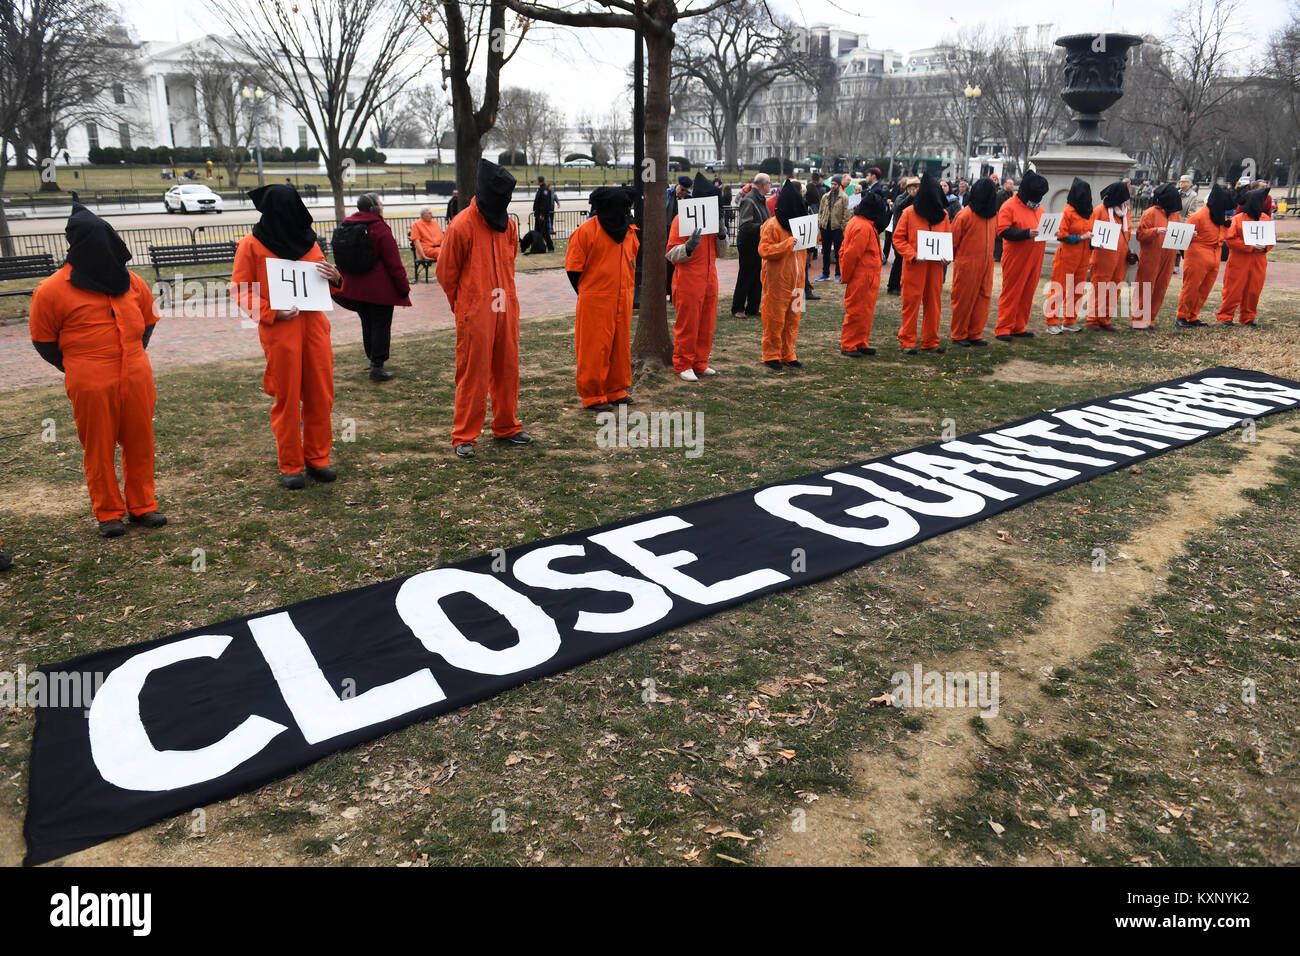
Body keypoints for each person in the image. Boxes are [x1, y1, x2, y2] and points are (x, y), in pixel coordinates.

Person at [29, 204, 166, 535]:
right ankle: (108, 513)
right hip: (89, 376)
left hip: (135, 370)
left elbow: (147, 321)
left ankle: (143, 506)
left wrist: (131, 354)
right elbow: (43, 342)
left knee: (140, 442)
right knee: (99, 447)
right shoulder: (50, 291)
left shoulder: (132, 282)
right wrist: (79, 366)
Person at [231, 185, 343, 488]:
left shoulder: (309, 242)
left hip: (315, 329)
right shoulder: (251, 245)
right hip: (280, 333)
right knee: (287, 398)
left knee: (320, 395)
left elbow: (324, 280)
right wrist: (270, 313)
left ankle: (318, 458)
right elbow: (239, 290)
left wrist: (336, 278)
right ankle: (291, 464)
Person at [437, 159, 532, 458]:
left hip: (506, 306)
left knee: (507, 367)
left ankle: (506, 425)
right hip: (475, 310)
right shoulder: (461, 224)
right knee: (473, 371)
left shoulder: (509, 225)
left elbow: (510, 261)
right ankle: (464, 434)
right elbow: (446, 273)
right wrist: (464, 305)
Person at [566, 186, 638, 408]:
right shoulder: (586, 231)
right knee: (594, 348)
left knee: (619, 347)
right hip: (595, 299)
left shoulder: (629, 231)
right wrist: (589, 293)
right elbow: (573, 268)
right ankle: (593, 394)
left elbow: (631, 260)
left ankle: (616, 390)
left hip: (622, 296)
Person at [333, 192, 412, 381]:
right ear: (373, 208)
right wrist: (403, 287)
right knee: (381, 325)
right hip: (379, 289)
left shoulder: (346, 225)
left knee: (367, 324)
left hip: (354, 287)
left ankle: (372, 360)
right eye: (380, 205)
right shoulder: (379, 227)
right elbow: (394, 262)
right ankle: (377, 366)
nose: (382, 208)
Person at [667, 173, 726, 380]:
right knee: (688, 324)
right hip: (688, 280)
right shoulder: (680, 219)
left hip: (709, 279)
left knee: (706, 325)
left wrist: (721, 235)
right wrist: (688, 247)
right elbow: (671, 253)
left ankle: (700, 362)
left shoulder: (711, 223)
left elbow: (722, 253)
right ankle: (683, 363)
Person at [893, 173, 952, 355]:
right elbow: (898, 238)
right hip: (914, 267)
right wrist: (912, 254)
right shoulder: (909, 213)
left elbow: (947, 241)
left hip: (935, 268)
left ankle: (930, 341)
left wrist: (946, 257)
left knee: (933, 304)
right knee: (911, 304)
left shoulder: (944, 215)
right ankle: (908, 341)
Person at [993, 170, 1048, 342]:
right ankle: (1003, 328)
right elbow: (1002, 231)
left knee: (1027, 293)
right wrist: (1026, 233)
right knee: (1012, 292)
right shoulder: (1009, 206)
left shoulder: (1040, 210)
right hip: (1016, 257)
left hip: (1035, 257)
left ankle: (1019, 326)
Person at [758, 179, 807, 370]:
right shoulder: (772, 225)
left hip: (797, 282)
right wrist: (786, 245)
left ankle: (788, 353)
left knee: (793, 319)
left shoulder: (799, 225)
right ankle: (771, 354)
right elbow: (764, 250)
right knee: (774, 319)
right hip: (777, 282)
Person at [949, 176, 999, 347]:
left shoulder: (992, 216)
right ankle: (958, 333)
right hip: (967, 263)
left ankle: (974, 332)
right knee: (964, 298)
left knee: (983, 298)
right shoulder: (964, 215)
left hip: (987, 263)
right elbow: (952, 242)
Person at [838, 190, 889, 356]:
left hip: (867, 276)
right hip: (862, 276)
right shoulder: (863, 226)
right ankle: (849, 344)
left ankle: (860, 341)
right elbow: (852, 255)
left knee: (865, 310)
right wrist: (846, 276)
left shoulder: (863, 223)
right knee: (856, 310)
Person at [1175, 184, 1232, 328]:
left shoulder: (1220, 216)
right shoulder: (1197, 216)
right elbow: (1183, 239)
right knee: (1191, 287)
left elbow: (1223, 235)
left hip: (1215, 255)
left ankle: (1193, 315)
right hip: (1197, 256)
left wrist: (1226, 227)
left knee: (1205, 289)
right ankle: (1181, 316)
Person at [1216, 187, 1274, 327]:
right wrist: (1249, 247)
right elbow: (1230, 240)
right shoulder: (1237, 219)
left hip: (1259, 260)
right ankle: (1226, 316)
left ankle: (1248, 317)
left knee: (1254, 290)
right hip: (1239, 260)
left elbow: (1272, 239)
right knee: (1233, 289)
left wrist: (1265, 247)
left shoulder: (1265, 219)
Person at [1130, 183, 1182, 329]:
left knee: (1160, 287)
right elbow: (1140, 235)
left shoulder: (1175, 215)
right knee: (1145, 287)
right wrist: (1155, 231)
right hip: (1151, 255)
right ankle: (1138, 319)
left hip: (1169, 255)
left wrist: (1189, 235)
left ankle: (1150, 318)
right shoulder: (1150, 213)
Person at [1045, 178, 1093, 333]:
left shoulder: (1088, 213)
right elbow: (1061, 235)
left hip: (1084, 255)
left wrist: (1094, 241)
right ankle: (1052, 321)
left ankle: (1070, 320)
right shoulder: (1067, 212)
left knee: (1077, 289)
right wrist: (1080, 238)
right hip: (1066, 255)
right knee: (1059, 288)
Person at [1085, 181, 1131, 332]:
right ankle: (1092, 318)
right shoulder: (1100, 210)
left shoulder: (1126, 212)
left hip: (1121, 257)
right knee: (1100, 286)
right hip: (1103, 255)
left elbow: (1127, 233)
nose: (1126, 201)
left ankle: (1105, 318)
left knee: (1115, 287)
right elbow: (1090, 230)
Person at [731, 172, 770, 318]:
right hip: (748, 243)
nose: (770, 186)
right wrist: (763, 227)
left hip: (759, 243)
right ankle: (738, 308)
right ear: (763, 185)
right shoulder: (750, 200)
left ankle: (753, 307)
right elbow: (745, 225)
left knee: (757, 276)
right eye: (769, 183)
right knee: (746, 276)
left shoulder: (760, 199)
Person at [885, 176, 920, 294]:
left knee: (906, 262)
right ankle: (893, 286)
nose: (916, 189)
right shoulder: (901, 197)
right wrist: (911, 196)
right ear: (909, 188)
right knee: (899, 260)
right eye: (914, 187)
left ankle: (902, 284)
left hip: (912, 235)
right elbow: (897, 207)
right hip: (899, 235)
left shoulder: (918, 199)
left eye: (917, 187)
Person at [817, 175, 849, 280]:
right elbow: (820, 211)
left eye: (835, 184)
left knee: (838, 252)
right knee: (825, 251)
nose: (833, 186)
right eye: (832, 184)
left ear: (839, 185)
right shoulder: (825, 196)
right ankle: (825, 273)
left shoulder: (844, 197)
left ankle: (838, 274)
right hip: (825, 227)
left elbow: (846, 213)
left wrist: (842, 227)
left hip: (837, 228)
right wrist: (820, 223)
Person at [409, 206, 444, 276]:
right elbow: (416, 241)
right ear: (422, 215)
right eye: (429, 213)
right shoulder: (416, 225)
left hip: (439, 248)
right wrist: (423, 256)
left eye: (431, 213)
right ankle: (444, 275)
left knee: (452, 252)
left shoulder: (435, 223)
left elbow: (442, 239)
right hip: (427, 250)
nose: (432, 215)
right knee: (444, 254)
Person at [992, 176, 1016, 261]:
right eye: (1010, 183)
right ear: (1005, 184)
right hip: (1000, 217)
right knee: (998, 237)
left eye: (1012, 184)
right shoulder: (1000, 194)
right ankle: (996, 255)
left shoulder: (1013, 195)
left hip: (1009, 218)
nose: (1012, 185)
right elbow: (997, 208)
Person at [533, 176, 556, 252]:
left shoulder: (545, 190)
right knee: (537, 232)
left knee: (545, 232)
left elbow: (545, 204)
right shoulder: (541, 189)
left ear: (539, 181)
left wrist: (542, 214)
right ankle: (537, 247)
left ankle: (550, 247)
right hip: (538, 214)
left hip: (542, 215)